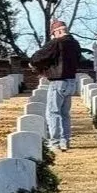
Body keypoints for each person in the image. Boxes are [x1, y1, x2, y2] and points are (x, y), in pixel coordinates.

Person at [29, 19, 87, 152]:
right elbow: (79, 60)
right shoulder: (75, 44)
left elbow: (39, 57)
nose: (53, 36)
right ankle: (65, 141)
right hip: (71, 81)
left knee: (53, 112)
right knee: (65, 113)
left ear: (58, 31)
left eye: (54, 33)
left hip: (58, 82)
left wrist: (33, 64)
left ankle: (55, 142)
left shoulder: (57, 43)